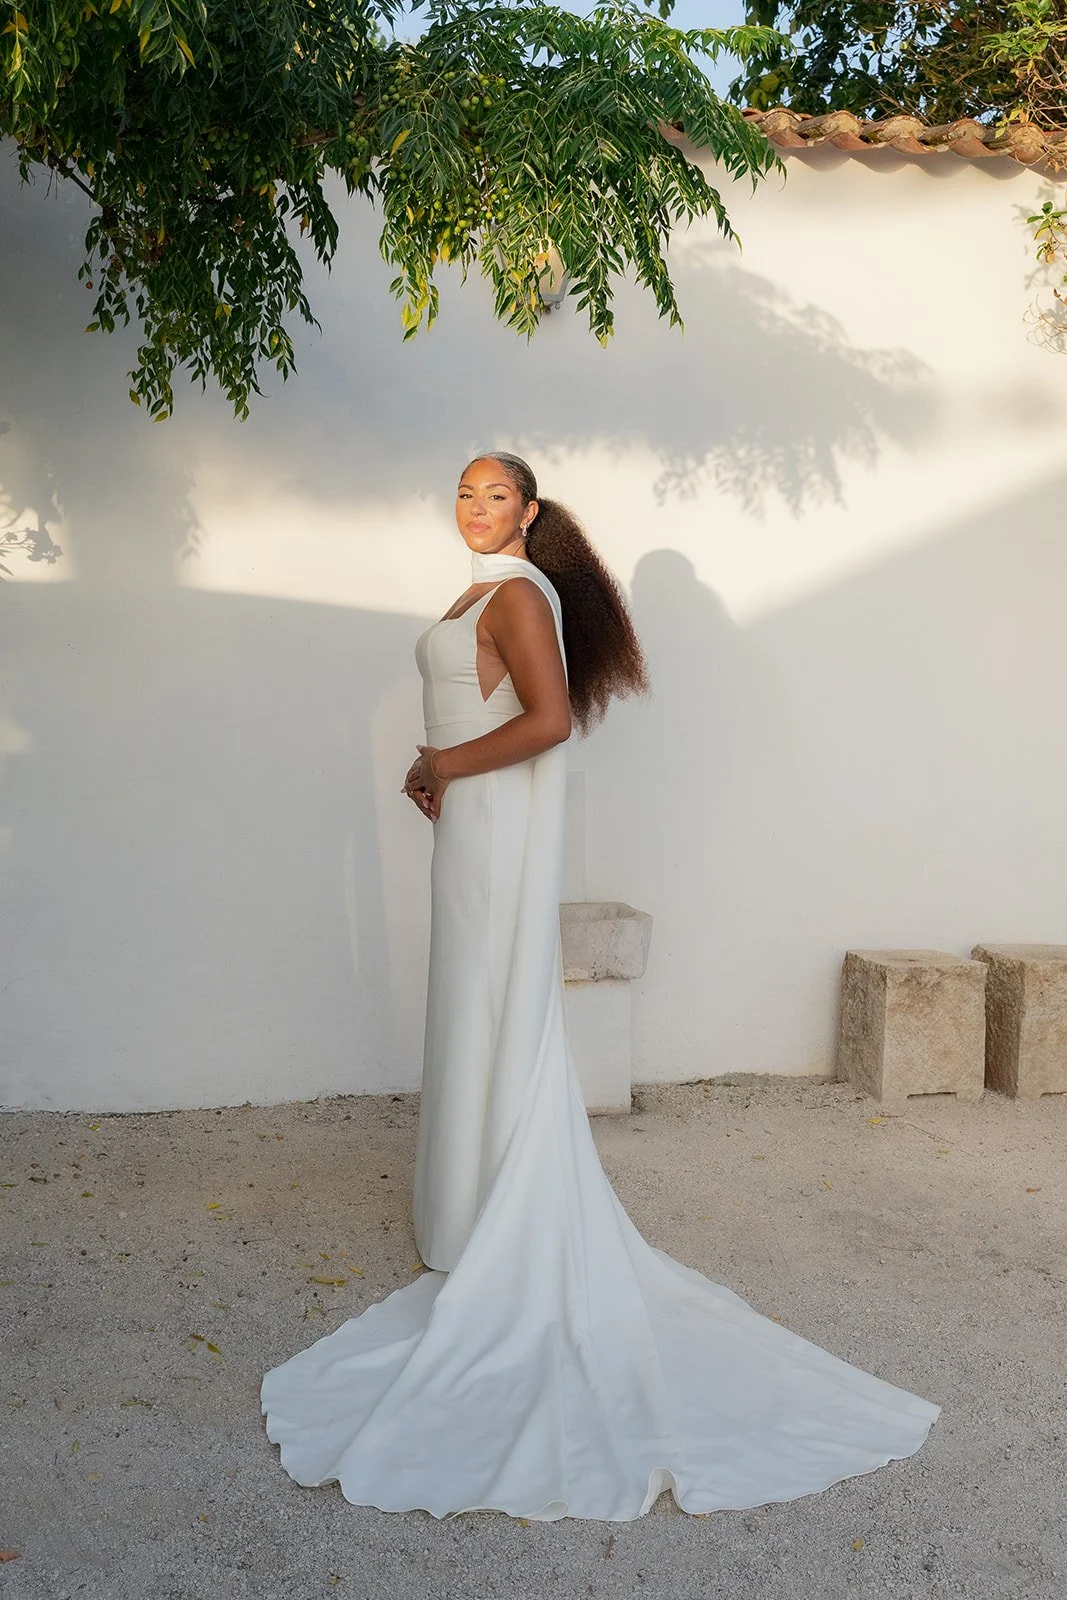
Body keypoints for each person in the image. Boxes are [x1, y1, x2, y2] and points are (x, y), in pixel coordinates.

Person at [260, 452, 939, 1521]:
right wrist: (433, 762)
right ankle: (468, 1218)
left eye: (494, 495)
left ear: (529, 512)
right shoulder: (477, 589)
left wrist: (446, 766)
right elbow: (479, 714)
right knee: (468, 1007)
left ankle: (494, 1226)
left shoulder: (522, 593)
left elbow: (545, 724)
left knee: (494, 1005)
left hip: (492, 835)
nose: (474, 508)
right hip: (471, 831)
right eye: (463, 493)